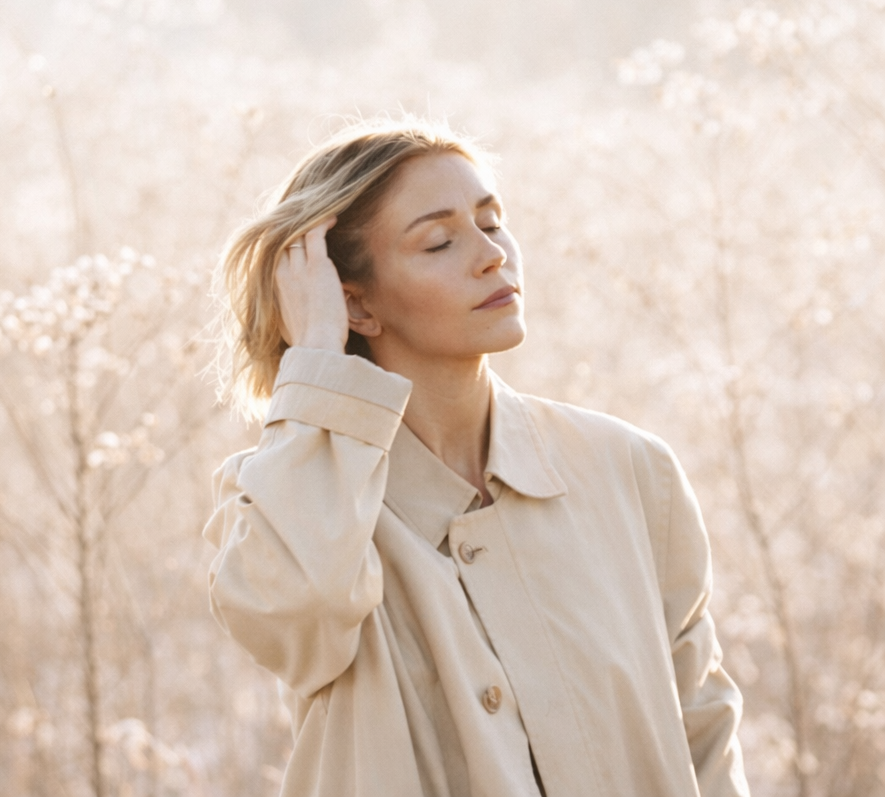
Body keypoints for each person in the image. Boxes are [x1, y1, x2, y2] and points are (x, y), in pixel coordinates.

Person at [204, 119, 749, 797]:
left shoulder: (631, 470)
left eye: (493, 224)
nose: (493, 256)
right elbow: (295, 616)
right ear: (356, 303)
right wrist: (315, 354)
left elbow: (703, 731)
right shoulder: (293, 500)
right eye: (439, 241)